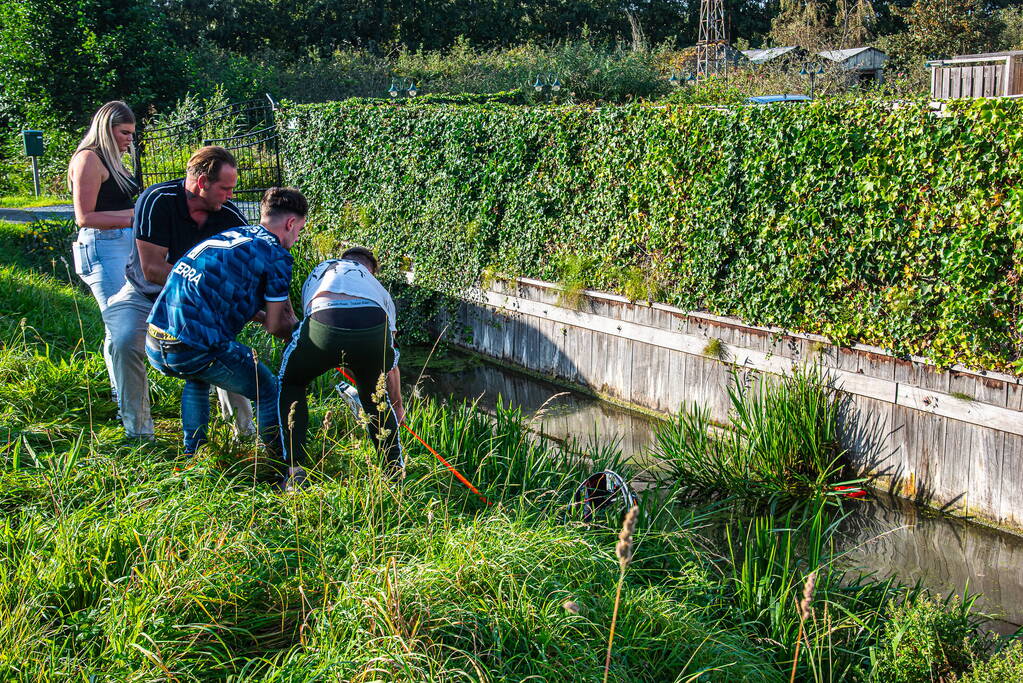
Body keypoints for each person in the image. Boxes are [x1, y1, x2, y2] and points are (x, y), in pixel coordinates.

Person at [103, 146, 254, 440]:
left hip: (198, 301)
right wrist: (209, 287)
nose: (231, 196)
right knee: (122, 342)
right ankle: (138, 433)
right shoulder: (157, 200)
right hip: (144, 294)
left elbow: (249, 270)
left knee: (224, 349)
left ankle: (245, 434)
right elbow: (152, 269)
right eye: (225, 188)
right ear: (202, 183)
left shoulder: (230, 217)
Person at [145, 187, 306, 458]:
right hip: (191, 348)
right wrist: (309, 337)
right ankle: (277, 463)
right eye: (300, 229)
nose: (298, 235)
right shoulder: (276, 256)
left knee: (197, 377)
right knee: (268, 390)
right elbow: (276, 326)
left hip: (155, 338)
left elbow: (232, 297)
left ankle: (192, 456)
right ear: (291, 223)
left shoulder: (235, 235)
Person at [278, 247, 405, 487]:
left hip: (323, 322)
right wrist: (397, 406)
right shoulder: (375, 286)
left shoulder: (320, 270)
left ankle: (295, 472)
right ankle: (394, 475)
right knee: (374, 398)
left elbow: (304, 321)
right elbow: (391, 363)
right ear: (370, 270)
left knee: (291, 382)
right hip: (373, 325)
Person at [67, 101, 139, 401]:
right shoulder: (89, 159)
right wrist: (133, 217)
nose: (129, 139)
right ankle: (125, 400)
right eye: (124, 132)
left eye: (132, 133)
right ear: (106, 128)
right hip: (102, 247)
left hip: (122, 245)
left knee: (122, 326)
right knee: (120, 327)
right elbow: (84, 216)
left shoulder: (112, 159)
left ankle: (124, 393)